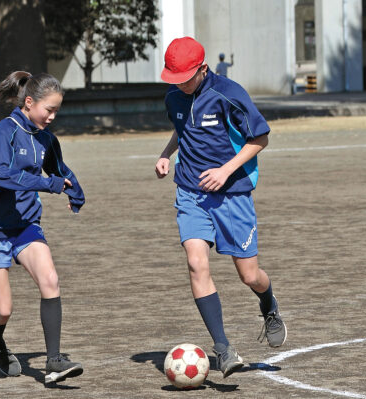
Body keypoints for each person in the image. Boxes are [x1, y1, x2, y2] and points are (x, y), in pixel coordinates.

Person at [155, 37, 286, 378]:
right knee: (196, 264)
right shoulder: (174, 96)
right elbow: (182, 130)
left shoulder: (229, 93)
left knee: (249, 275)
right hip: (190, 193)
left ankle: (268, 304)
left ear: (203, 69)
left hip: (233, 195)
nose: (178, 84)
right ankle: (224, 349)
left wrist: (226, 170)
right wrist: (165, 155)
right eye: (173, 78)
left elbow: (260, 138)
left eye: (184, 77)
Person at [0, 71, 85, 384]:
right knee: (3, 309)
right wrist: (48, 184)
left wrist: (75, 191)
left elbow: (59, 170)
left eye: (57, 110)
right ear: (29, 102)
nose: (53, 116)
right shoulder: (4, 131)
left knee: (50, 279)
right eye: (49, 109)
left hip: (24, 224)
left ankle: (55, 362)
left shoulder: (45, 138)